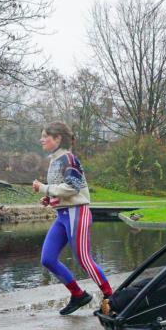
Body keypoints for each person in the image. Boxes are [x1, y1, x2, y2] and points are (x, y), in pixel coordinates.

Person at [33, 122, 113, 315]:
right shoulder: (55, 160)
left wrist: (44, 188)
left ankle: (111, 297)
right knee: (48, 259)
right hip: (63, 214)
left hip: (77, 212)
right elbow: (63, 188)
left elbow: (73, 188)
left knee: (83, 258)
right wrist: (50, 198)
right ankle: (78, 295)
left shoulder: (68, 159)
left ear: (58, 138)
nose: (41, 139)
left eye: (45, 136)